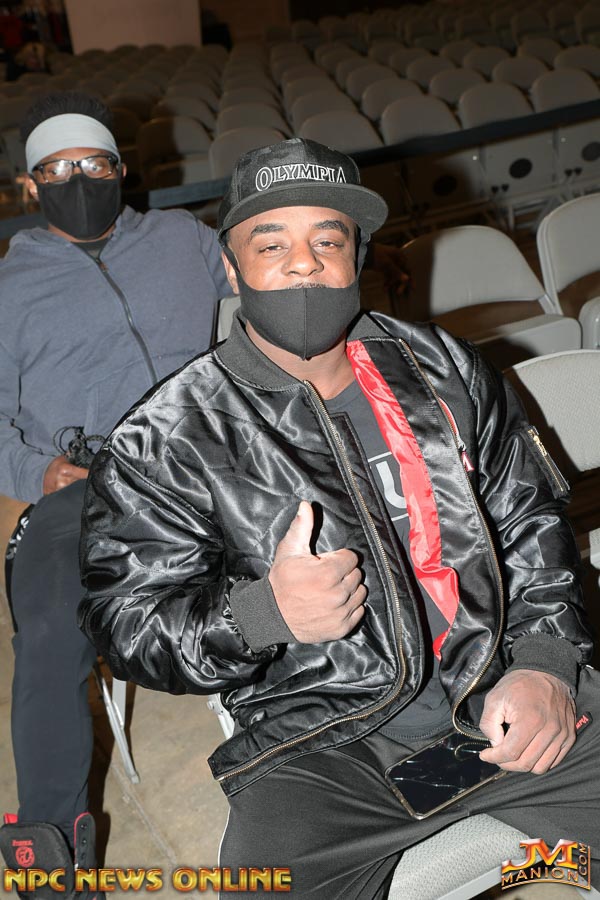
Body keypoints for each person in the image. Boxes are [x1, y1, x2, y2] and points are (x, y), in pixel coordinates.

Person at [79, 137, 599, 897]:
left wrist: (545, 663)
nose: (304, 264)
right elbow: (124, 625)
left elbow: (530, 522)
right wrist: (262, 615)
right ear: (231, 266)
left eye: (328, 240)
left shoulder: (445, 368)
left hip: (495, 695)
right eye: (272, 243)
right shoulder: (166, 438)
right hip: (327, 748)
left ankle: (538, 865)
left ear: (357, 255)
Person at [0, 91, 230, 896]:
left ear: (122, 169)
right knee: (47, 629)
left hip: (204, 457)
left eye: (94, 163)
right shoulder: (10, 285)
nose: (78, 180)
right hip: (89, 483)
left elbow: (266, 273)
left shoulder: (182, 238)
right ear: (30, 186)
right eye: (57, 169)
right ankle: (49, 853)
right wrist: (32, 472)